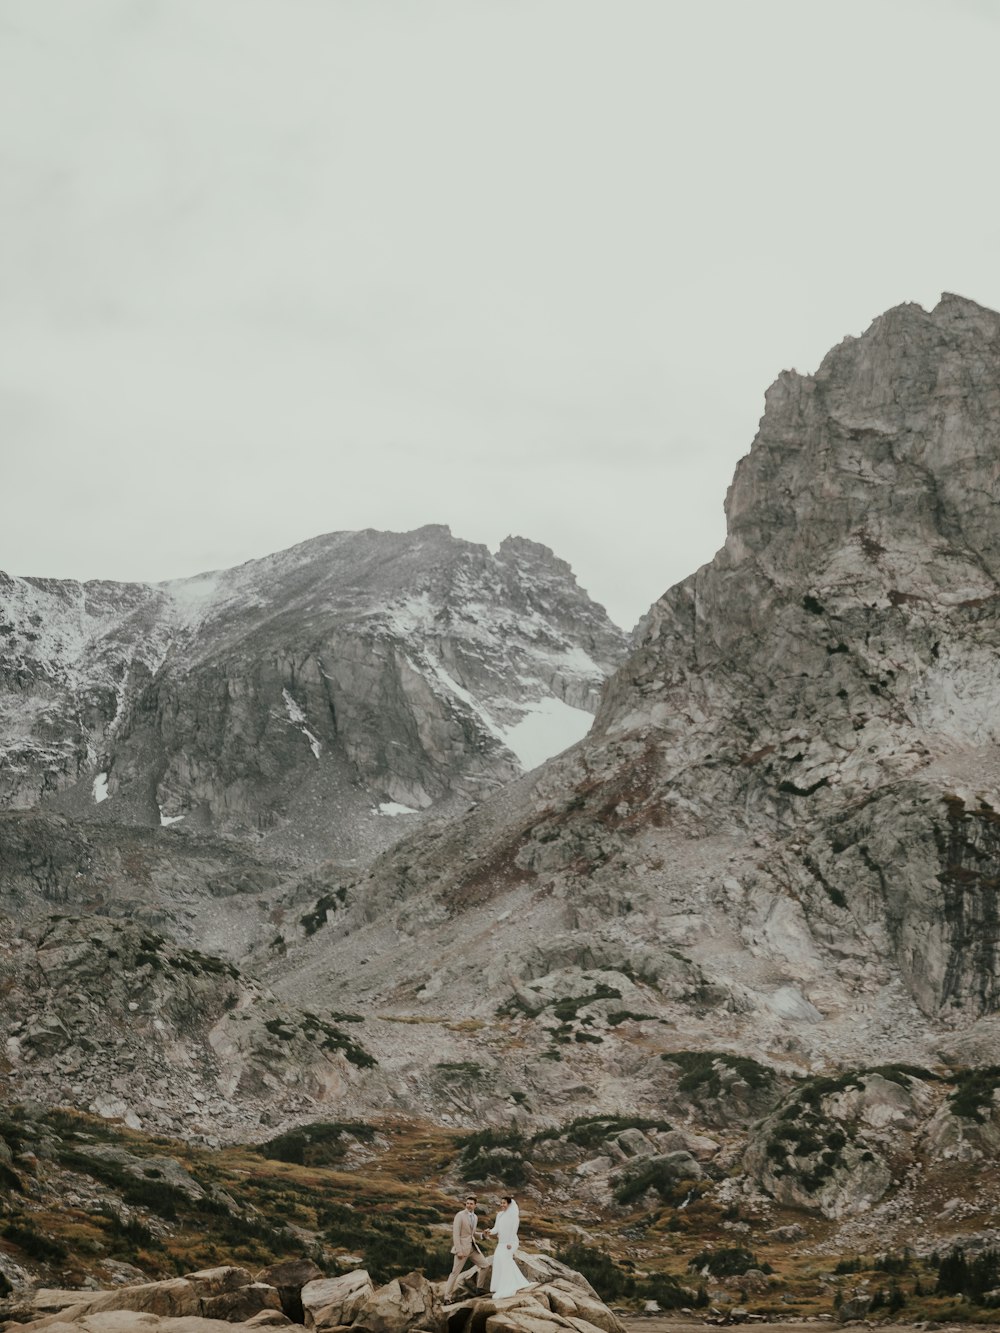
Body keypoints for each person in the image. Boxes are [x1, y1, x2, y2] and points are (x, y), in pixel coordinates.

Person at [443, 1194, 489, 1300]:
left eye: (471, 1204)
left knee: (485, 1266)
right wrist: (458, 1250)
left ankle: (479, 1290)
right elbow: (456, 1234)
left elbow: (471, 1234)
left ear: (475, 1205)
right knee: (455, 1273)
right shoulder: (459, 1215)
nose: (468, 1205)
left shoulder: (475, 1217)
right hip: (462, 1250)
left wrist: (483, 1235)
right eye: (467, 1203)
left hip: (473, 1248)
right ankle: (447, 1298)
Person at [485, 1195, 530, 1298]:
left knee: (506, 1261)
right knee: (497, 1260)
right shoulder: (499, 1215)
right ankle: (498, 1286)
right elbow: (496, 1229)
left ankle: (508, 1285)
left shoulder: (514, 1217)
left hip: (511, 1242)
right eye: (501, 1203)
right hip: (501, 1243)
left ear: (509, 1204)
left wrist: (510, 1242)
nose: (502, 1205)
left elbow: (514, 1231)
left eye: (504, 1203)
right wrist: (489, 1232)